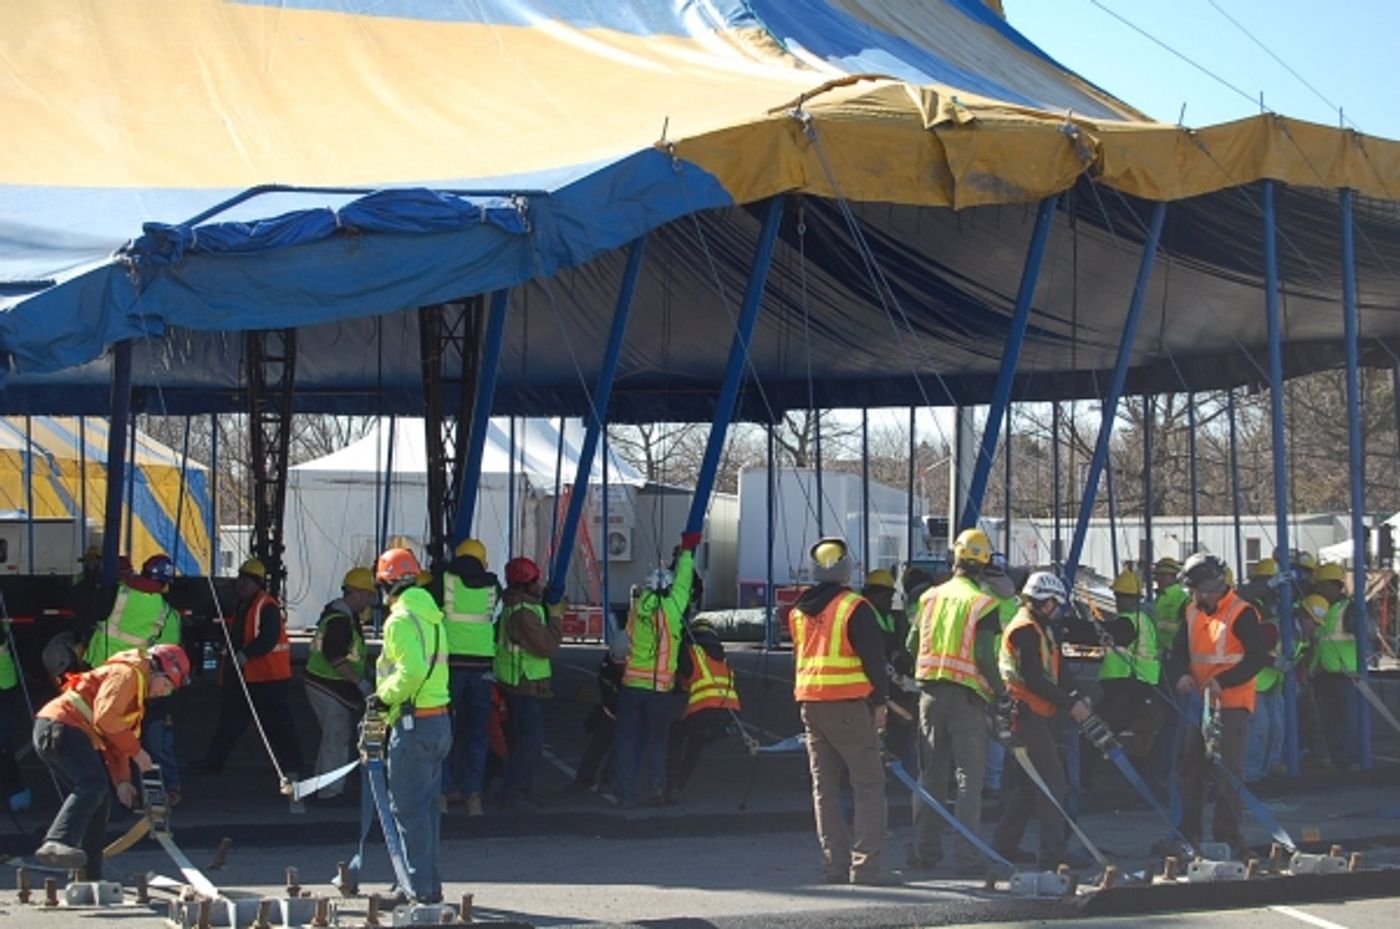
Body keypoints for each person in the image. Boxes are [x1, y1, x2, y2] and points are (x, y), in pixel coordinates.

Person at [789, 537, 897, 885]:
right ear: (846, 568)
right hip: (848, 706)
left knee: (824, 788)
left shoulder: (799, 610)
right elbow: (874, 660)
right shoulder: (854, 606)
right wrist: (881, 702)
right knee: (868, 785)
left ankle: (833, 865)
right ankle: (866, 867)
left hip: (811, 704)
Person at [32, 644, 190, 875]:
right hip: (61, 726)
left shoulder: (134, 691)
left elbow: (115, 739)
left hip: (59, 730)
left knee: (99, 800)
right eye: (166, 685)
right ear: (158, 671)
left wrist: (122, 781)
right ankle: (57, 842)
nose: (163, 693)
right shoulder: (128, 674)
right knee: (92, 785)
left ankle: (90, 875)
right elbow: (106, 718)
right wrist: (139, 754)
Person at [906, 527, 1003, 875]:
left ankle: (925, 852)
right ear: (985, 563)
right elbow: (984, 656)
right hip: (967, 698)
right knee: (968, 779)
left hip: (930, 695)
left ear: (955, 557)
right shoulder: (985, 604)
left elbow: (910, 645)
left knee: (931, 775)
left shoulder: (929, 597)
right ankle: (967, 858)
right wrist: (1001, 695)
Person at [1164, 553, 1268, 859]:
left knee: (1227, 773)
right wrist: (1182, 673)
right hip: (1200, 703)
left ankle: (1227, 837)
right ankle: (1189, 834)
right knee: (1190, 769)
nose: (1194, 597)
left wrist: (1224, 681)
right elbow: (1178, 652)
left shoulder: (1242, 613)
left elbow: (1256, 658)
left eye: (1196, 590)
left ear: (1211, 587)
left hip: (1232, 704)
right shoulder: (1192, 612)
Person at [992, 572, 1092, 868]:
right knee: (1052, 782)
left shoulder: (1039, 627)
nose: (1060, 611)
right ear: (1046, 602)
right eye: (1057, 605)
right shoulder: (1026, 630)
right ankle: (1053, 854)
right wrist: (1070, 704)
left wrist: (1078, 694)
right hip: (1025, 713)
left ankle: (1004, 846)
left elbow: (1056, 670)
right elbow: (1034, 679)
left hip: (1032, 713)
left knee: (1027, 785)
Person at [369, 547, 451, 904]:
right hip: (438, 721)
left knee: (408, 810)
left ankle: (416, 890)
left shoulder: (400, 620)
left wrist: (384, 697)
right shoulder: (432, 617)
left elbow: (412, 670)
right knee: (426, 810)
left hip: (413, 724)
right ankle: (427, 884)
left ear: (386, 584)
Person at [614, 531, 701, 807]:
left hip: (631, 686)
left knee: (627, 742)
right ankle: (657, 789)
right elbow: (684, 583)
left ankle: (624, 794)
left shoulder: (637, 609)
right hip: (660, 689)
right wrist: (686, 553)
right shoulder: (673, 610)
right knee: (657, 742)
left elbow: (623, 642)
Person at [196, 558, 303, 781]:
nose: (240, 585)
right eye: (239, 581)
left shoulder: (267, 606)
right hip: (248, 678)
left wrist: (246, 654)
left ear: (257, 583)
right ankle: (213, 762)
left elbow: (268, 638)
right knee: (230, 723)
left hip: (268, 678)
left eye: (245, 581)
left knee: (277, 724)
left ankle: (292, 762)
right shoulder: (247, 606)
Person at [433, 538, 501, 817]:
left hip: (449, 667)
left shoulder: (445, 581)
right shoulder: (493, 587)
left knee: (443, 731)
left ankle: (443, 793)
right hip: (482, 667)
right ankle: (473, 796)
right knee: (476, 734)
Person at [494, 556, 564, 810]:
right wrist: (556, 619)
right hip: (523, 684)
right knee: (530, 742)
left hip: (518, 682)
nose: (540, 584)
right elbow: (545, 647)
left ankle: (515, 791)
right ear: (526, 585)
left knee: (522, 741)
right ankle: (515, 793)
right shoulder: (524, 613)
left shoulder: (520, 607)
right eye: (535, 580)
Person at [304, 567, 377, 802]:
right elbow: (335, 657)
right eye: (367, 595)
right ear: (355, 593)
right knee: (336, 737)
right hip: (328, 686)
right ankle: (330, 792)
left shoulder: (341, 616)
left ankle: (323, 786)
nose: (369, 601)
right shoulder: (341, 621)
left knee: (332, 737)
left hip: (325, 684)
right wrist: (360, 682)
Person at [1086, 569, 1161, 780]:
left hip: (1130, 687)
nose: (1118, 601)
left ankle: (1085, 781)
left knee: (1093, 735)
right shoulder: (1143, 620)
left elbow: (1105, 633)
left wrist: (1067, 627)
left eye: (1121, 596)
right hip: (1137, 688)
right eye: (1117, 596)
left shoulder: (1129, 622)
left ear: (1132, 599)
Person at [665, 617, 740, 803]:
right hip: (730, 716)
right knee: (695, 744)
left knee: (676, 733)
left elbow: (681, 684)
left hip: (704, 712)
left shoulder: (693, 652)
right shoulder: (724, 660)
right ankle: (677, 787)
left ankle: (669, 786)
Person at [1309, 562, 1359, 768]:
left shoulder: (1350, 609)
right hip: (1323, 674)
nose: (1319, 590)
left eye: (1322, 585)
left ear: (1335, 585)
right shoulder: (1324, 609)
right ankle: (1336, 756)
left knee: (1346, 720)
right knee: (1328, 721)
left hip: (1344, 675)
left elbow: (1365, 635)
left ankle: (1347, 758)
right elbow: (1319, 642)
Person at [569, 631, 629, 793]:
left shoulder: (637, 665)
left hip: (630, 711)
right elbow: (607, 693)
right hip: (611, 710)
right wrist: (615, 713)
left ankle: (608, 781)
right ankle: (583, 780)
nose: (620, 665)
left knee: (621, 749)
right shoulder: (607, 667)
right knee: (598, 744)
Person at [0, 618, 29, 812]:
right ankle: (16, 794)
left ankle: (15, 793)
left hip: (3, 683)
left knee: (3, 744)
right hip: (5, 681)